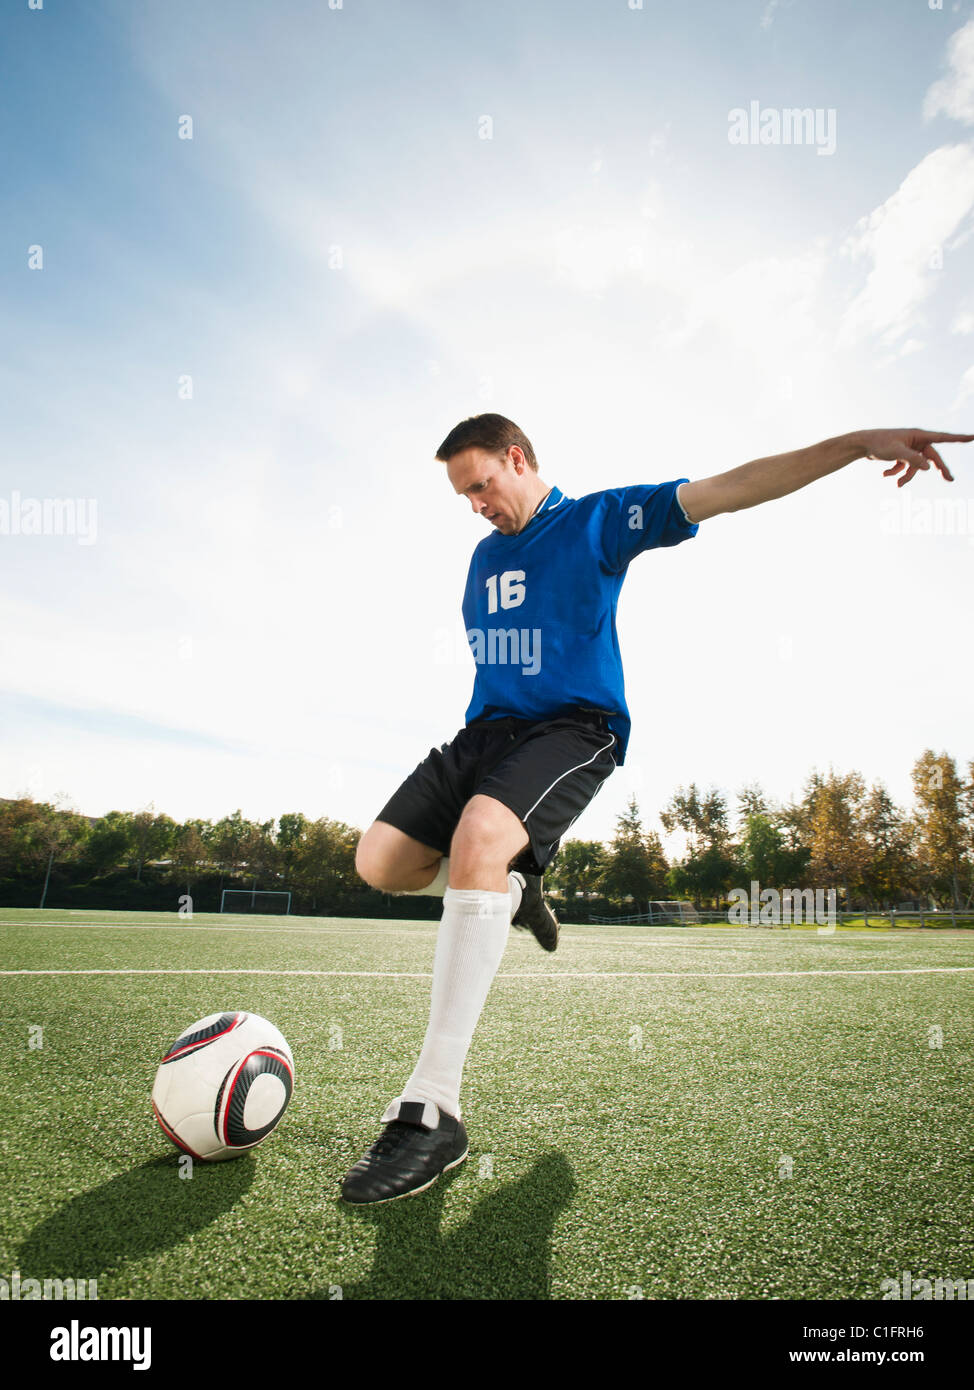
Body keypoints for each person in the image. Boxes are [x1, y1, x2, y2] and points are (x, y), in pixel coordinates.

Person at [342, 415, 970, 1205]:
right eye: (462, 495)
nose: (474, 504)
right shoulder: (482, 558)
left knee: (477, 838)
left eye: (480, 485)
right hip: (484, 737)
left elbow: (733, 487)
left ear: (518, 457)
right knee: (381, 863)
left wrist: (854, 445)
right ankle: (512, 886)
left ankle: (432, 1108)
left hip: (572, 729)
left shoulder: (598, 521)